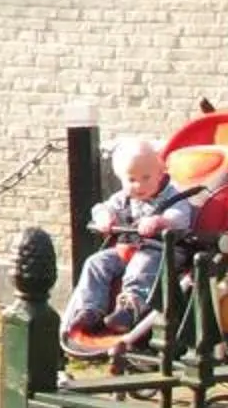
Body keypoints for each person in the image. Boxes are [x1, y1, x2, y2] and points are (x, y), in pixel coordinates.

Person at [66, 134, 197, 340]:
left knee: (141, 265)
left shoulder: (173, 195)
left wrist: (160, 221)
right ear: (121, 179)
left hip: (162, 251)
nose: (138, 185)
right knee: (95, 263)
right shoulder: (123, 198)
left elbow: (180, 216)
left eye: (146, 178)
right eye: (131, 180)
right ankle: (89, 310)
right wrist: (104, 217)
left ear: (160, 173)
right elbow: (102, 207)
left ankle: (129, 309)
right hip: (127, 248)